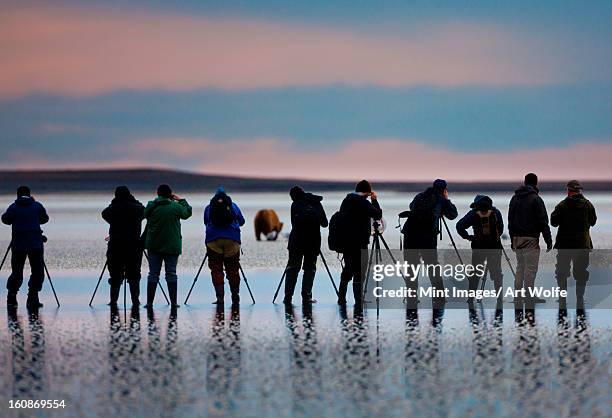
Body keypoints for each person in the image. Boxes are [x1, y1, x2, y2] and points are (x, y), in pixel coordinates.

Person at [402, 179, 457, 300]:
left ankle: (411, 297)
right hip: (427, 237)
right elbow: (453, 215)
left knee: (411, 267)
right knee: (432, 267)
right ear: (444, 189)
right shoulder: (441, 199)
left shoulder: (420, 196)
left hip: (410, 235)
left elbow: (411, 207)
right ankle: (439, 297)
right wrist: (446, 200)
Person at [143, 184, 192, 308]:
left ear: (158, 193)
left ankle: (149, 303)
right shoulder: (175, 207)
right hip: (171, 246)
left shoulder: (151, 206)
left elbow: (145, 214)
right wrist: (181, 200)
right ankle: (174, 303)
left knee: (153, 274)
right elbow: (187, 213)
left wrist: (155, 201)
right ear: (170, 194)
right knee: (171, 273)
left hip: (154, 246)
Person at [550, 180, 597, 309]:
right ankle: (580, 298)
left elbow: (553, 222)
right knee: (581, 272)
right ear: (580, 191)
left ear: (568, 190)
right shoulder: (588, 205)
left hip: (565, 245)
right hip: (582, 246)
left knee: (562, 272)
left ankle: (562, 298)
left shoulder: (562, 205)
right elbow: (593, 222)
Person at [2, 186, 49, 309]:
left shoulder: (13, 207)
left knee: (17, 272)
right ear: (30, 194)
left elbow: (5, 220)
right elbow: (45, 219)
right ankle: (33, 298)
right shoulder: (37, 206)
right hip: (35, 244)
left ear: (18, 195)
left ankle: (11, 298)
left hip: (18, 245)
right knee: (37, 271)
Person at [337, 180, 382, 306]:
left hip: (346, 242)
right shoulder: (363, 202)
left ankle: (341, 298)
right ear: (367, 192)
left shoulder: (346, 201)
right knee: (360, 272)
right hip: (360, 242)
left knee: (348, 269)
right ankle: (358, 300)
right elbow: (378, 214)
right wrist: (374, 200)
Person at [508, 173, 552, 303]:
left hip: (517, 238)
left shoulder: (514, 198)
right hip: (530, 239)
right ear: (536, 183)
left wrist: (512, 239)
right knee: (530, 268)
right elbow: (543, 221)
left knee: (520, 266)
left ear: (525, 182)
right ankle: (528, 296)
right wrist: (548, 240)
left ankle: (518, 295)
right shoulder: (536, 199)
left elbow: (510, 220)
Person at [283, 186, 328, 305]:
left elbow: (294, 223)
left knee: (292, 269)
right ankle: (307, 296)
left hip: (296, 242)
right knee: (309, 269)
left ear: (293, 196)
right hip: (313, 242)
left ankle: (288, 297)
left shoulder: (295, 205)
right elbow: (325, 223)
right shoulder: (317, 203)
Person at [456, 195, 504, 305]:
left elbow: (459, 226)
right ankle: (499, 298)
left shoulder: (473, 213)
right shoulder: (496, 212)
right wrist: (495, 238)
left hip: (478, 247)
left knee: (475, 273)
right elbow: (500, 229)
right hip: (495, 247)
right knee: (496, 273)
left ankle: (470, 298)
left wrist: (469, 237)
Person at [102, 186, 145, 306]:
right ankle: (135, 301)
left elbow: (104, 214)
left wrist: (114, 203)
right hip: (134, 245)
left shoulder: (112, 209)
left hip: (116, 246)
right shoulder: (137, 208)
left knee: (115, 274)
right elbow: (145, 211)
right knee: (134, 274)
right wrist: (135, 201)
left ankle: (113, 301)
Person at [204, 187, 245, 305]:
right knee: (233, 270)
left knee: (216, 269)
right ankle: (235, 296)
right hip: (232, 240)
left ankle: (220, 298)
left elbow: (206, 222)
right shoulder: (233, 206)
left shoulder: (209, 207)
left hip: (213, 241)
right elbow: (242, 222)